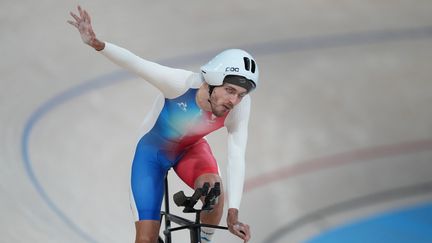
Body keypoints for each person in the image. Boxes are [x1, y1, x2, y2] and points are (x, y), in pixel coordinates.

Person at [68, 5, 259, 243]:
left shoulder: (240, 106)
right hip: (152, 153)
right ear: (211, 81)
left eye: (241, 94)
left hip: (190, 150)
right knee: (145, 240)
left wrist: (233, 213)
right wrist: (97, 43)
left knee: (213, 190)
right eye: (230, 91)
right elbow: (137, 63)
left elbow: (237, 154)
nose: (234, 100)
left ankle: (204, 240)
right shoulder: (180, 84)